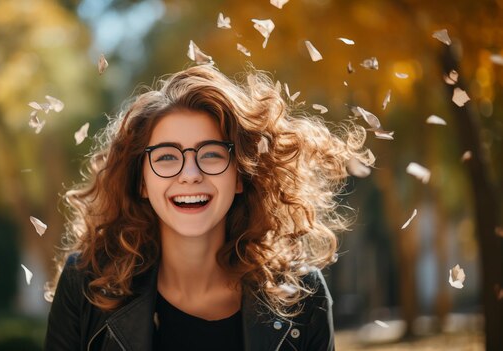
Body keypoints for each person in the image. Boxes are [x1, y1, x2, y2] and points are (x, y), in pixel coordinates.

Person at [44, 64, 373, 351]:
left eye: (212, 154)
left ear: (241, 175)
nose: (190, 174)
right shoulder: (86, 283)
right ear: (142, 182)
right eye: (167, 157)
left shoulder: (304, 295)